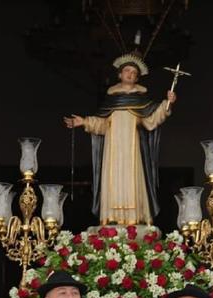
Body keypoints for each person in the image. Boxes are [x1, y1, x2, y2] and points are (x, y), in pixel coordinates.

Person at [63, 50, 176, 225]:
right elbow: (101, 124)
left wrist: (166, 105)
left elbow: (151, 121)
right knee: (112, 182)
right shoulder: (111, 100)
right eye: (127, 71)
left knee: (134, 183)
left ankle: (134, 220)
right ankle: (110, 219)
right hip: (113, 152)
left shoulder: (141, 101)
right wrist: (83, 122)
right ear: (120, 74)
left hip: (133, 153)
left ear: (137, 78)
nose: (130, 74)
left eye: (134, 73)